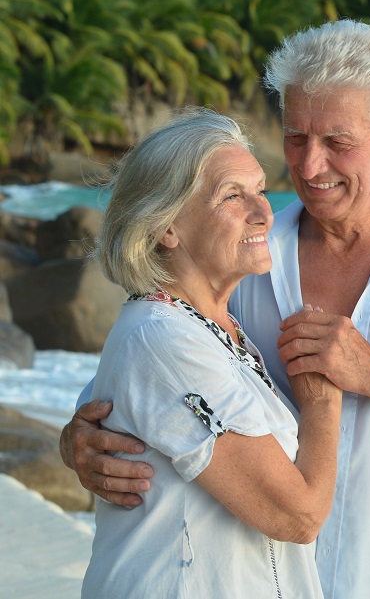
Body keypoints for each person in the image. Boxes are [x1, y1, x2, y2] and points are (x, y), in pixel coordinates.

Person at [63, 19, 370, 599]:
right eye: (294, 138)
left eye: (338, 142)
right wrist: (77, 443)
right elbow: (136, 386)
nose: (309, 168)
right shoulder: (241, 257)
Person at [79, 108, 342, 598]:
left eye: (260, 190)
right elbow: (298, 515)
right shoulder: (162, 338)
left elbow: (109, 411)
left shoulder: (208, 327)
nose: (264, 212)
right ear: (165, 227)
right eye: (232, 196)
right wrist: (324, 399)